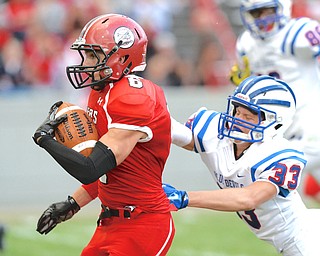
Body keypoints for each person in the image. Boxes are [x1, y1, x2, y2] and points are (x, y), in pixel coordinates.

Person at [32, 14, 175, 256]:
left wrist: (45, 140)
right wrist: (72, 203)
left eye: (92, 55)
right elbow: (109, 171)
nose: (85, 63)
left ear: (121, 57)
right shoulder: (102, 92)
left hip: (143, 223)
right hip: (110, 221)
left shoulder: (132, 97)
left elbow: (91, 168)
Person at [165, 75, 320, 255]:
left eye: (248, 116)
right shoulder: (218, 134)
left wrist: (185, 197)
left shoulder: (280, 154)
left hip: (305, 238)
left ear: (273, 122)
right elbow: (177, 133)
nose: (237, 121)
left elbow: (248, 198)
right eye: (237, 111)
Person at [229, 0, 320, 204]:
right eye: (255, 13)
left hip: (312, 122)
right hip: (281, 127)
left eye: (265, 11)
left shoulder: (298, 32)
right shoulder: (246, 42)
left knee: (269, 170)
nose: (261, 18)